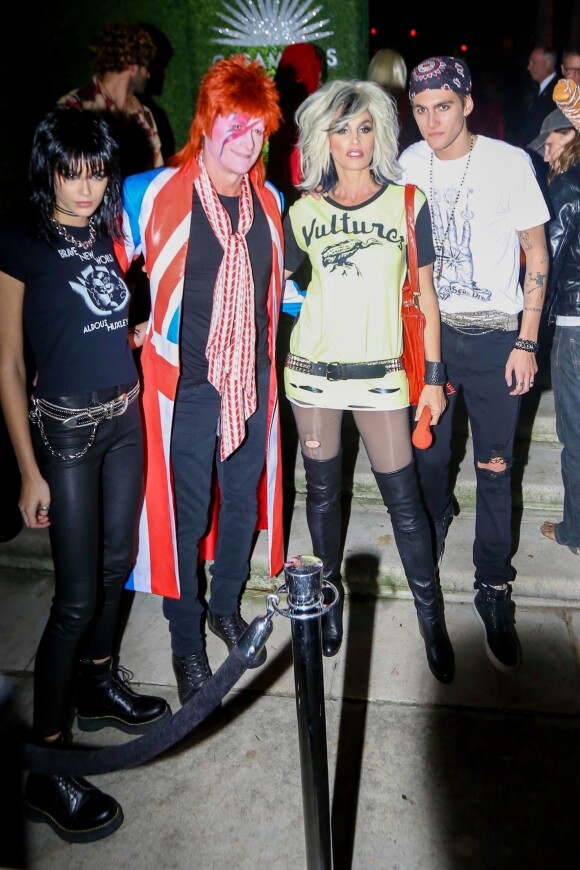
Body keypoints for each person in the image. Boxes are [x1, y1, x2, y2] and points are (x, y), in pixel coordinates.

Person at [0, 107, 170, 843]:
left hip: (125, 418)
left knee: (115, 563)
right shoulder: (20, 240)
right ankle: (46, 765)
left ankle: (98, 683)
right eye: (72, 171)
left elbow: (101, 315)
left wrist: (133, 333)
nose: (85, 186)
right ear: (49, 170)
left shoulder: (108, 229)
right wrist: (26, 471)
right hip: (65, 433)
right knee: (72, 600)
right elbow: (7, 362)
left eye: (96, 171)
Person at [115, 55, 285, 706]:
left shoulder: (268, 201)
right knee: (184, 517)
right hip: (182, 385)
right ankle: (186, 641)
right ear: (206, 123)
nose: (245, 141)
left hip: (251, 379)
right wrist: (121, 329)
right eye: (233, 125)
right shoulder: (154, 193)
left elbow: (285, 290)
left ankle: (224, 606)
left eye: (257, 128)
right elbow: (103, 263)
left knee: (240, 502)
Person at [283, 78, 455, 682]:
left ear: (378, 131)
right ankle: (327, 605)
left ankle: (431, 619)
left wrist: (432, 377)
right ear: (321, 137)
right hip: (312, 376)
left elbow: (426, 298)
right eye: (341, 128)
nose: (354, 141)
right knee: (323, 497)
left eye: (363, 127)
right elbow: (268, 286)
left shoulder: (407, 203)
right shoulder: (301, 211)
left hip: (383, 376)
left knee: (404, 504)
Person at [398, 56, 551, 673]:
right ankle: (434, 528)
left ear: (465, 103)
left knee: (494, 465)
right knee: (428, 458)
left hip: (494, 340)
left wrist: (528, 340)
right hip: (433, 341)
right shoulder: (407, 163)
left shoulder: (510, 162)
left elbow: (536, 252)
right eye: (420, 109)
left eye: (442, 106)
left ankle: (493, 585)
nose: (431, 120)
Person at [527, 106, 580, 556]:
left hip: (575, 324)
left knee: (576, 436)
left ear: (571, 135)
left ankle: (576, 531)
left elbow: (552, 260)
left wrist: (529, 333)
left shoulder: (566, 186)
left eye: (550, 142)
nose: (545, 154)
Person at [58, 21, 164, 175]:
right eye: (145, 66)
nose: (148, 74)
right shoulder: (72, 107)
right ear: (132, 66)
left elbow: (156, 178)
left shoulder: (144, 116)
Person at [519, 47, 559, 151]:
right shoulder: (541, 90)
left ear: (548, 63)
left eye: (534, 62)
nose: (529, 67)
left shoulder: (557, 91)